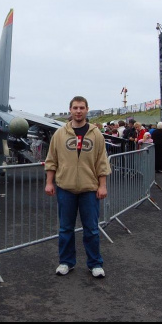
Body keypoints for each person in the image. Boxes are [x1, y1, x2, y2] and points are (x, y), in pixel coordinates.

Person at [44, 95, 111, 279]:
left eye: (82, 108)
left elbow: (102, 162)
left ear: (87, 110)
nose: (78, 111)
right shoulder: (60, 134)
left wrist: (102, 185)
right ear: (70, 110)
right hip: (66, 188)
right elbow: (52, 160)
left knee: (91, 229)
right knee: (65, 228)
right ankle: (66, 262)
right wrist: (49, 182)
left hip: (89, 188)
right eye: (75, 108)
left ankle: (95, 264)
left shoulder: (96, 134)